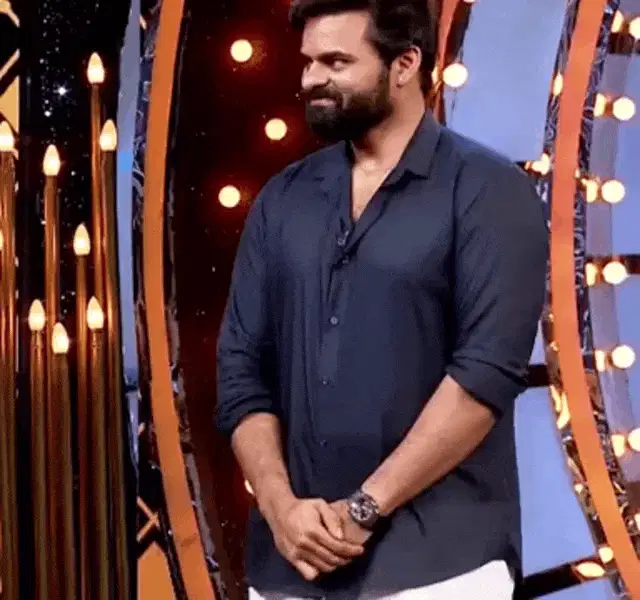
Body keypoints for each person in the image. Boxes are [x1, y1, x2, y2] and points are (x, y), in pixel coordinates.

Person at [216, 0, 548, 598]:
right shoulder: (283, 199)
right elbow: (240, 369)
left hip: (440, 570)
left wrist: (364, 509)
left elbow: (484, 377)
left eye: (337, 62)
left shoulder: (489, 191)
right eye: (308, 62)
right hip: (290, 566)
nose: (312, 79)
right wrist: (280, 506)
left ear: (405, 64)